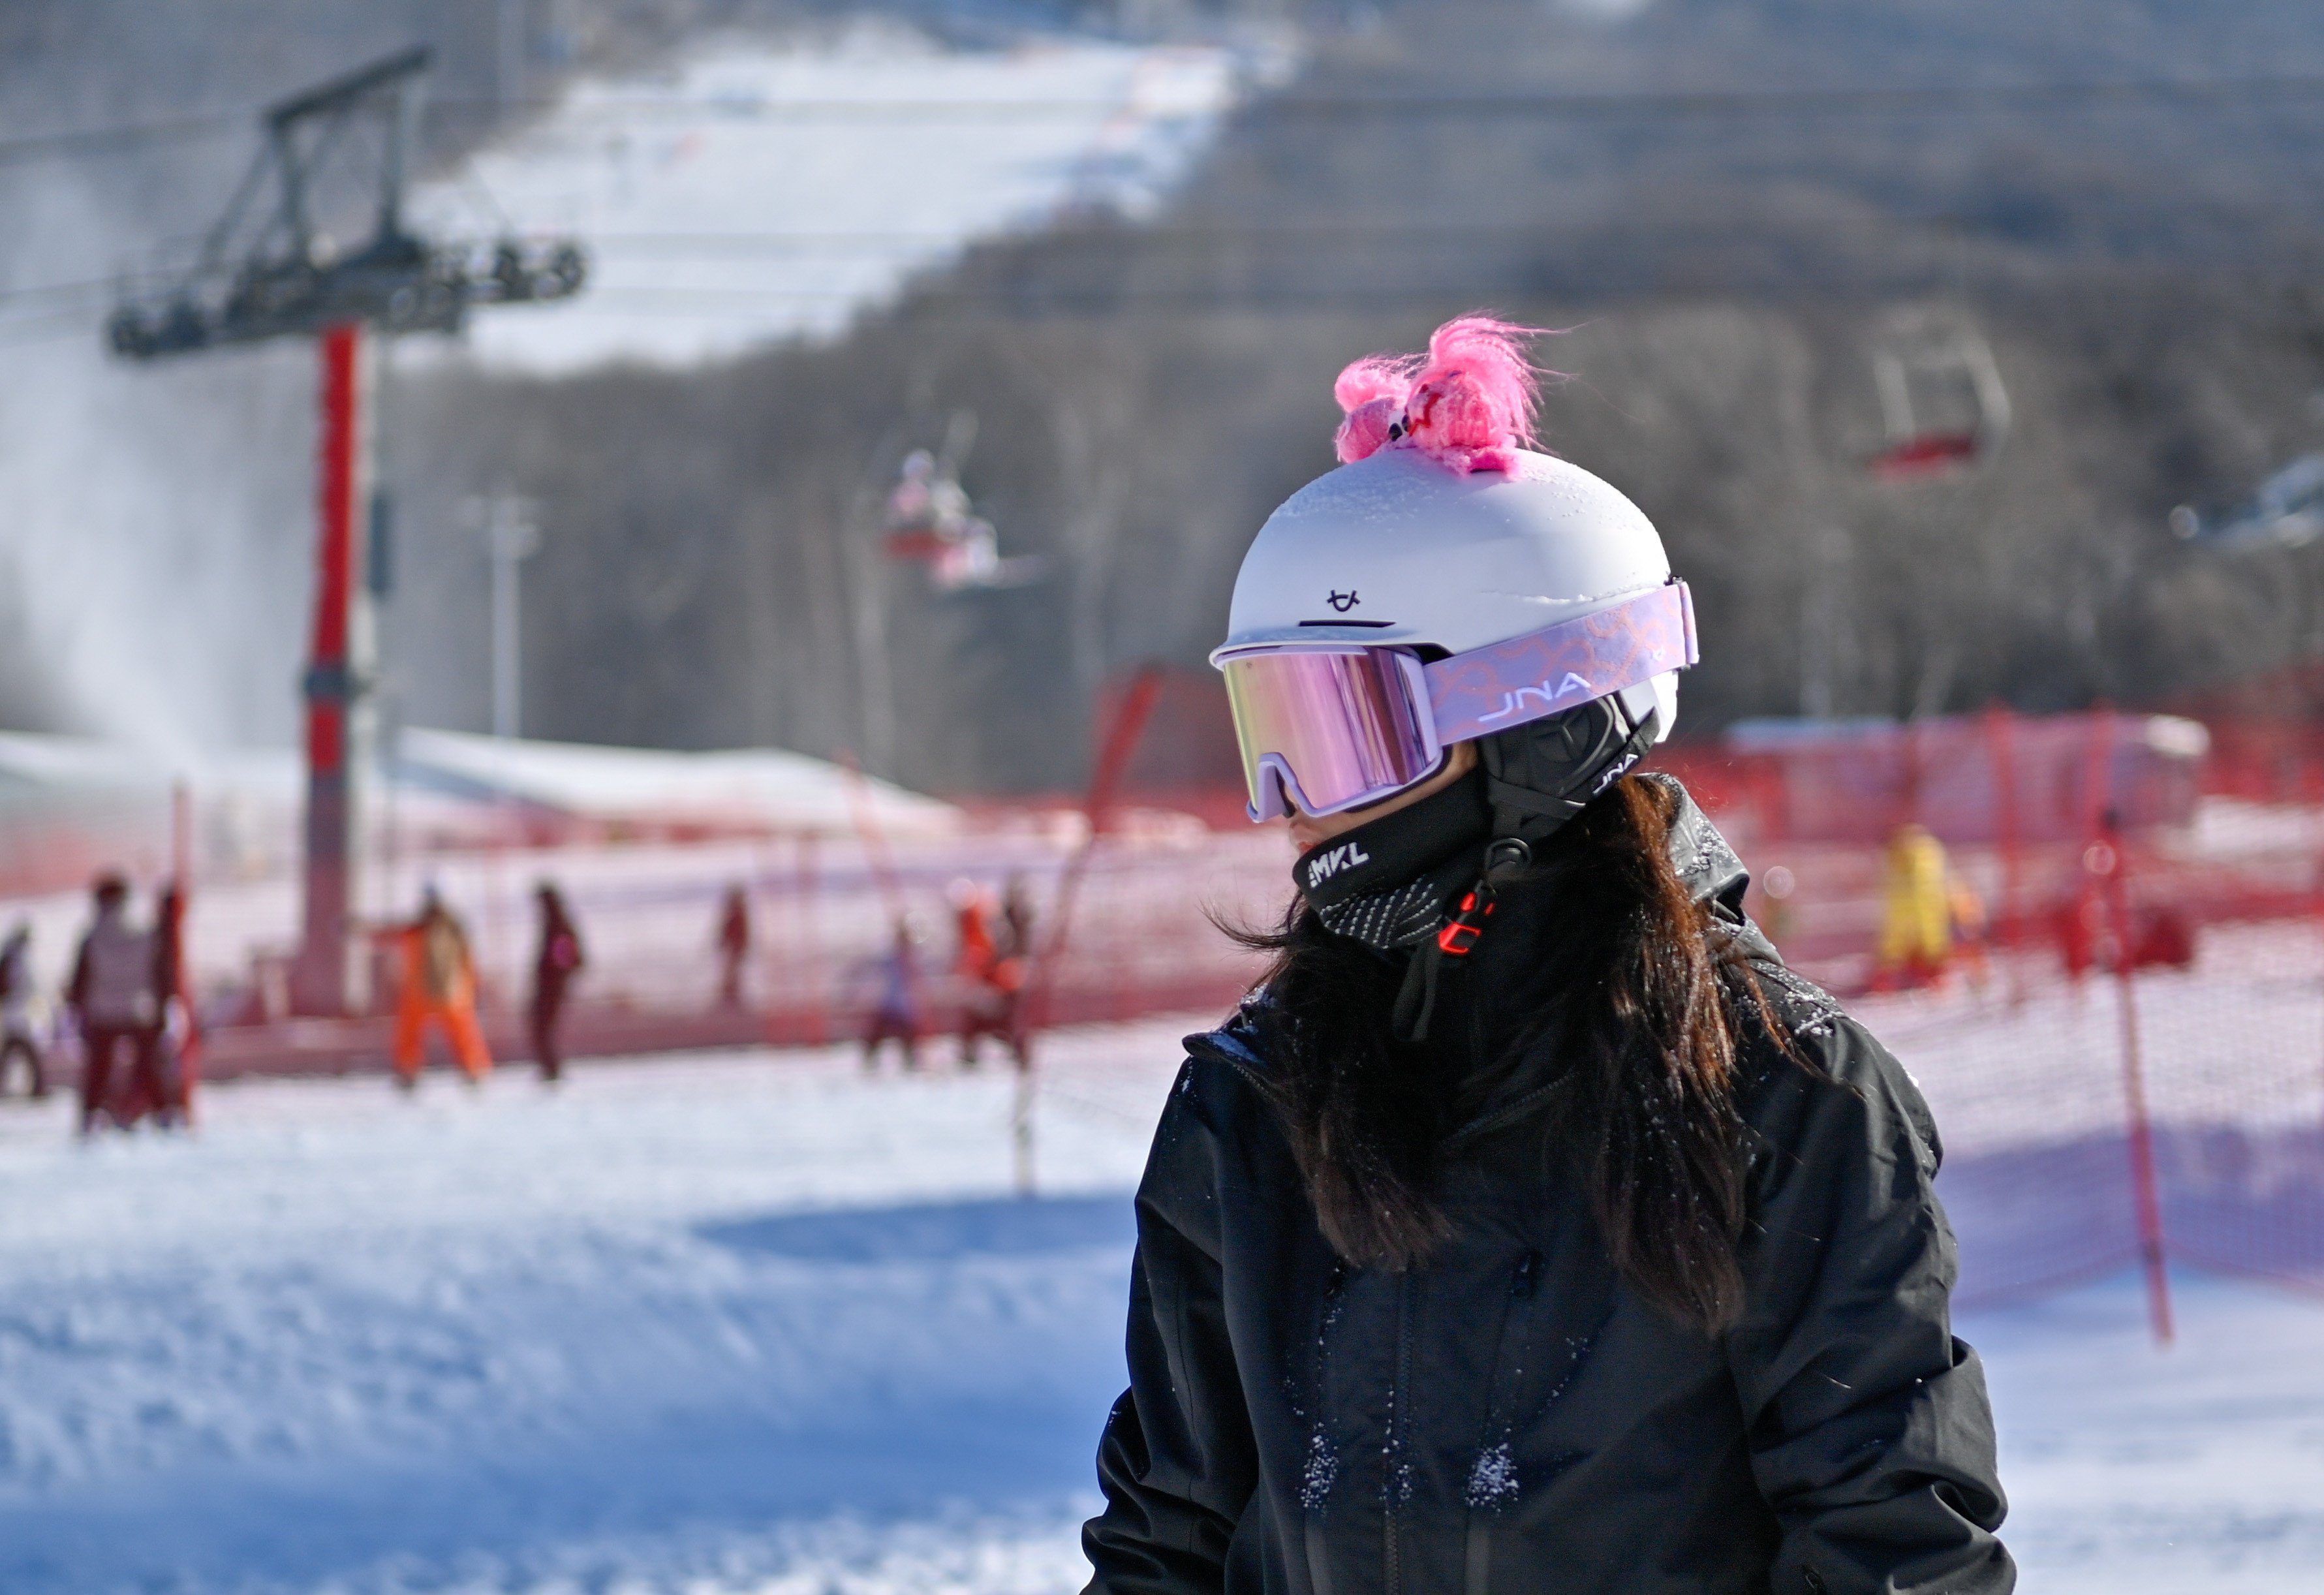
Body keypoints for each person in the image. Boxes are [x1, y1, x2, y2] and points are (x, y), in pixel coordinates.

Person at [1082, 318, 2011, 1594]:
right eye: (1269, 733)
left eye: (1341, 733)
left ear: (1534, 728)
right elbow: (1166, 1543)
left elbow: (1891, 1554)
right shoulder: (1253, 1102)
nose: (1294, 803)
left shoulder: (1781, 1095)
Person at [66, 875, 162, 1134]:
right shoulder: (143, 934)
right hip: (139, 1009)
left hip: (102, 1011)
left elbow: (79, 982)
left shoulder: (91, 939)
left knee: (98, 1069)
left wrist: (76, 1012)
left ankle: (91, 1116)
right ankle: (158, 1110)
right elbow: (160, 973)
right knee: (148, 1065)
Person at [388, 889, 491, 1088]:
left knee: (461, 1034)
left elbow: (467, 959)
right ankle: (410, 1070)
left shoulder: (445, 927)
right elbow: (468, 959)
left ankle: (473, 1069)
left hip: (437, 991)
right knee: (456, 1033)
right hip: (444, 991)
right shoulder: (445, 927)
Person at [952, 880, 1028, 1070]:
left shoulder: (985, 926)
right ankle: (971, 1055)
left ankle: (1018, 1052)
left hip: (999, 984)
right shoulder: (975, 930)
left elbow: (994, 955)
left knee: (1003, 1024)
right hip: (990, 984)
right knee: (981, 1024)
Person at [530, 883, 585, 1083]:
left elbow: (569, 959)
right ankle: (549, 1068)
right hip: (549, 987)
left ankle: (552, 1069)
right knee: (541, 1027)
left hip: (552, 989)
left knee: (543, 1028)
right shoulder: (554, 924)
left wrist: (558, 977)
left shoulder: (558, 926)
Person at [858, 918, 921, 1073]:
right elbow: (875, 968)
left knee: (907, 1039)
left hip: (906, 1005)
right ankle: (869, 1064)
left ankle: (910, 1064)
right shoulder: (892, 956)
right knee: (876, 1036)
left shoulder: (914, 956)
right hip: (891, 1003)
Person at [0, 921, 48, 1100]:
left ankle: (38, 1087)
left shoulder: (12, 956)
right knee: (27, 1050)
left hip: (17, 1010)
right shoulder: (17, 958)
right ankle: (39, 1088)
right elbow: (20, 985)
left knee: (14, 1051)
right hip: (19, 1011)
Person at [716, 884, 751, 1010]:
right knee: (732, 969)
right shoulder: (736, 913)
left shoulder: (737, 913)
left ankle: (731, 993)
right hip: (734, 946)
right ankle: (730, 992)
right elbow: (730, 930)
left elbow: (738, 931)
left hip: (735, 946)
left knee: (732, 970)